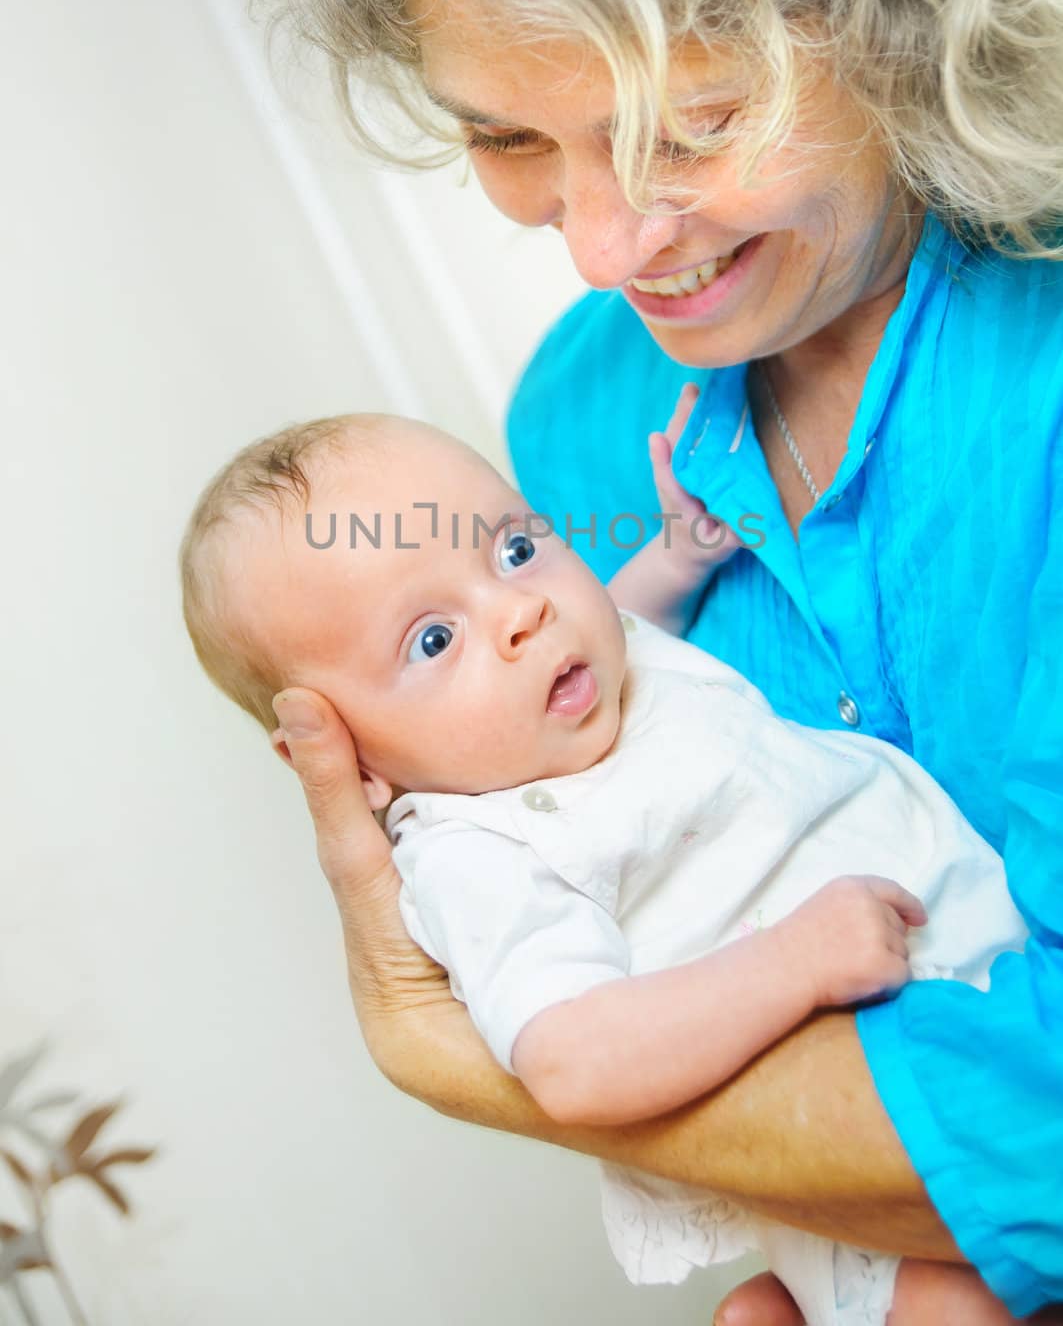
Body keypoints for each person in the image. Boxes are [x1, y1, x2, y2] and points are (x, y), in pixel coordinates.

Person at [232, 0, 1063, 1320]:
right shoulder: (573, 420)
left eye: (687, 123)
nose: (605, 246)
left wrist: (456, 1054)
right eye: (507, 135)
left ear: (906, 5)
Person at [178, 409, 1027, 1325]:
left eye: (510, 550)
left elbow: (619, 619)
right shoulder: (475, 853)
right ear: (345, 758)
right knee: (963, 1299)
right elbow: (569, 1060)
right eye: (432, 639)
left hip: (982, 989)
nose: (520, 613)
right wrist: (794, 963)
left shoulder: (566, 673)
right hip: (851, 1142)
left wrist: (677, 557)